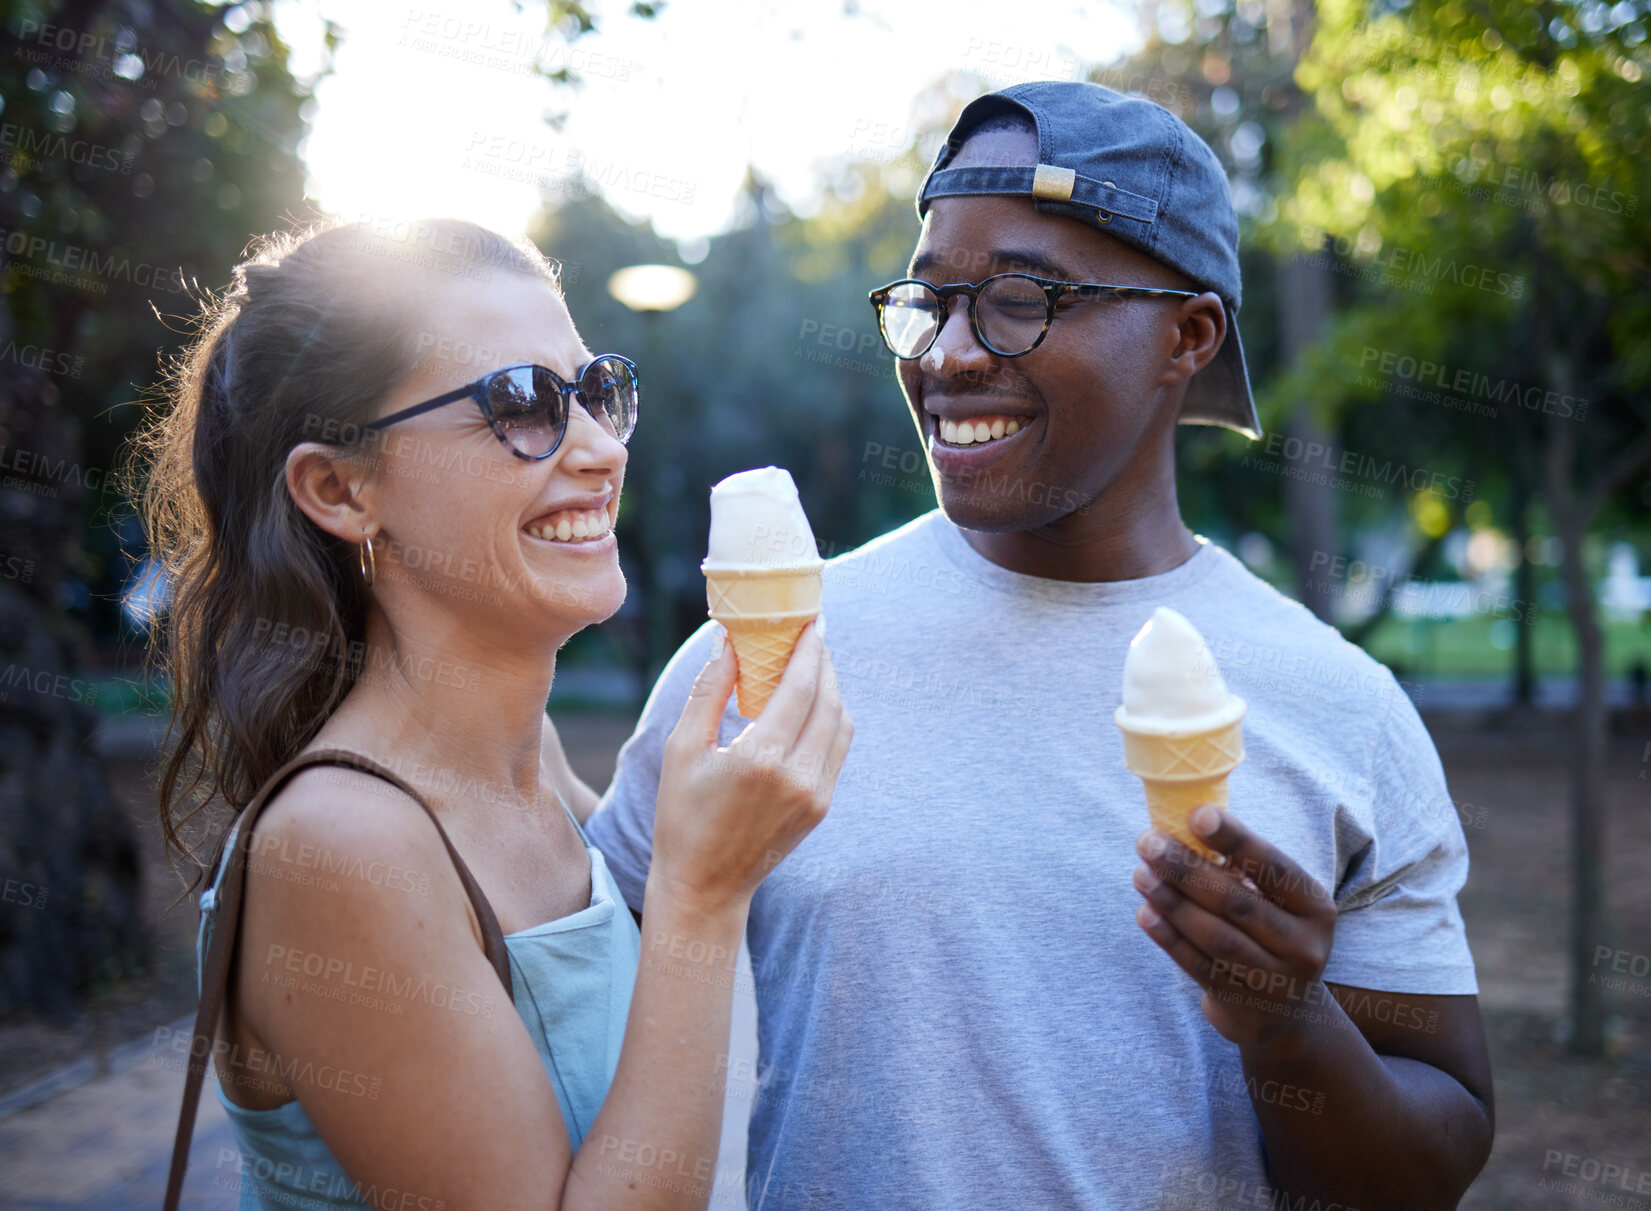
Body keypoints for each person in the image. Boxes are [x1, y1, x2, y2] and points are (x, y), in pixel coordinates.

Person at [586, 82, 1493, 1209]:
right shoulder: (763, 659)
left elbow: (1433, 1159)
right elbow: (567, 1010)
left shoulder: (1342, 706)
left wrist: (1288, 1027)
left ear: (1187, 334)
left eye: (1020, 299)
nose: (950, 354)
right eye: (930, 302)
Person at [142, 218, 852, 1211]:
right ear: (340, 488)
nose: (602, 448)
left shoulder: (538, 761)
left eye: (597, 391)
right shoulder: (345, 843)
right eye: (521, 403)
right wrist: (699, 895)